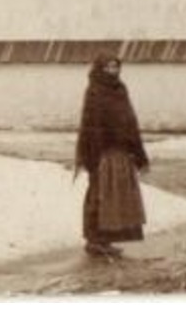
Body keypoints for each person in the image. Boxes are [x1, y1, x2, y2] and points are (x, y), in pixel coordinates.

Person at [74, 54, 148, 258]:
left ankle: (105, 240)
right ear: (100, 69)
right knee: (100, 195)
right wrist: (91, 158)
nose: (113, 71)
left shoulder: (120, 89)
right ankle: (94, 240)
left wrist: (138, 152)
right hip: (102, 153)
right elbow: (90, 126)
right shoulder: (95, 91)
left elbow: (130, 120)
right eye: (108, 67)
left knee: (116, 198)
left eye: (116, 67)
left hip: (121, 152)